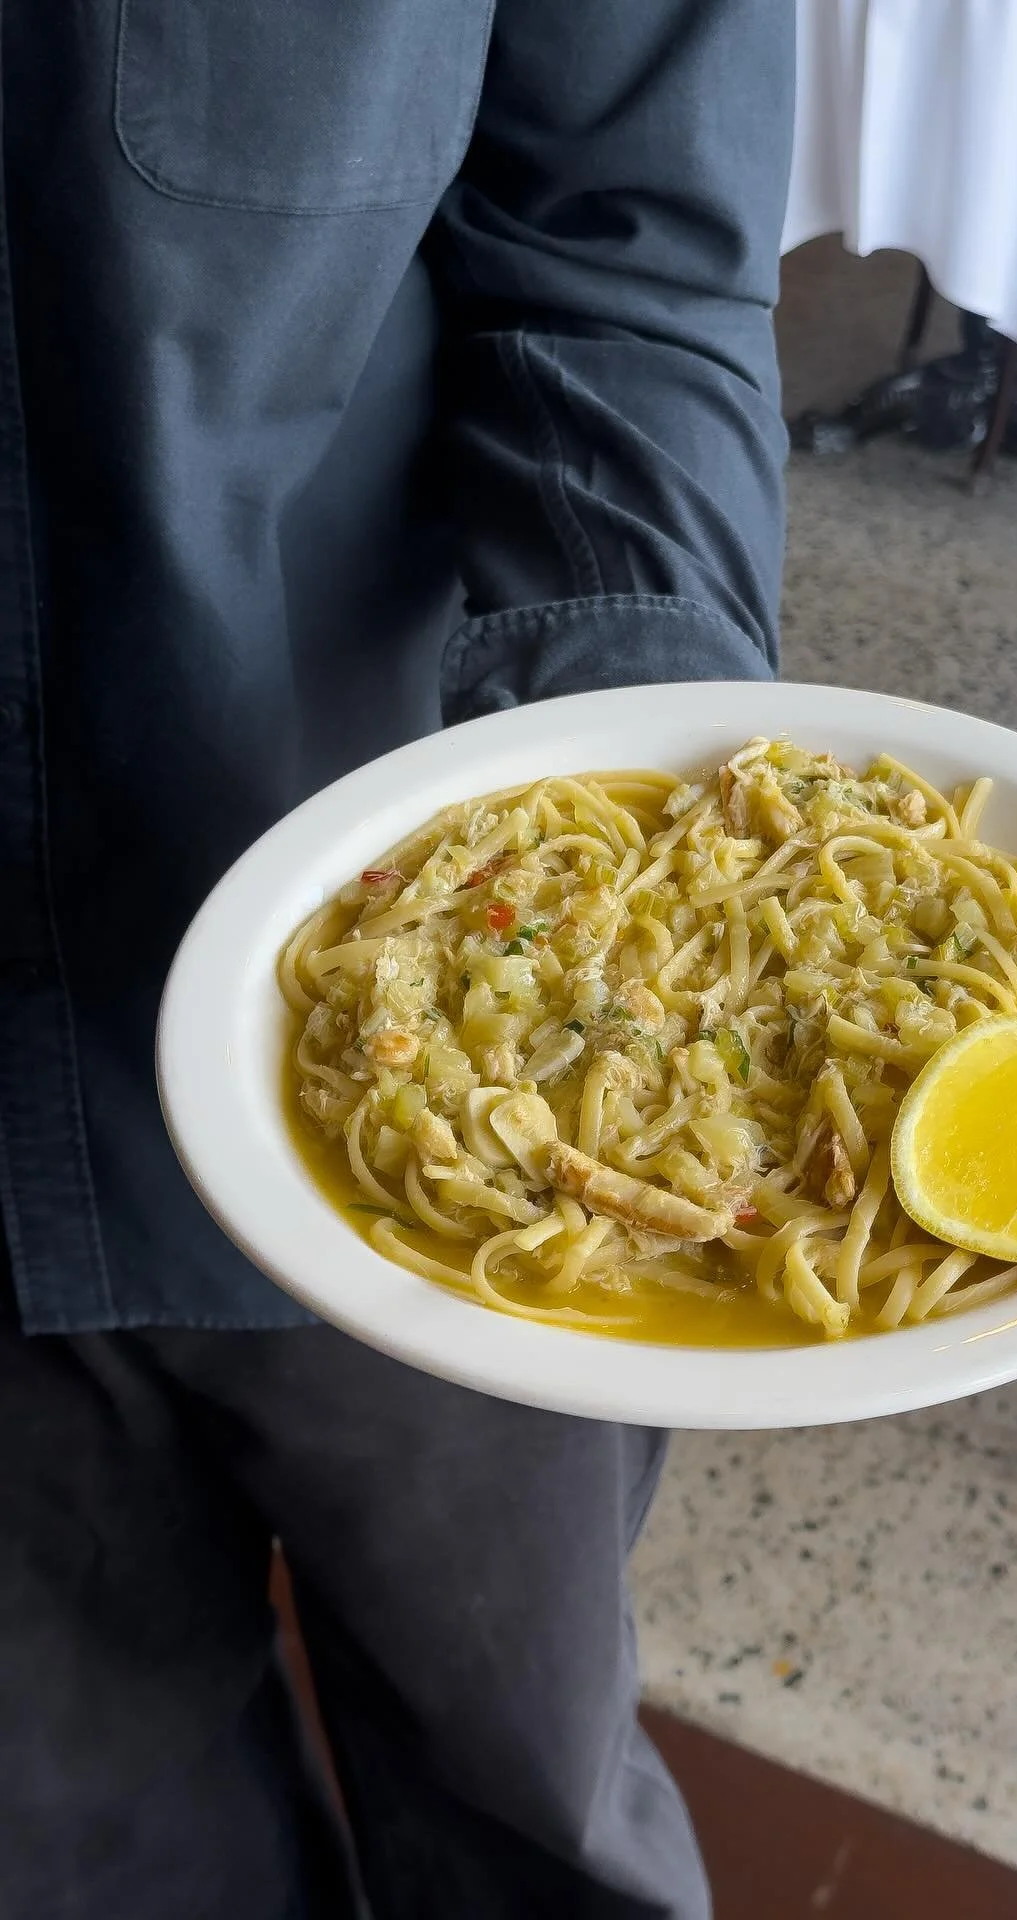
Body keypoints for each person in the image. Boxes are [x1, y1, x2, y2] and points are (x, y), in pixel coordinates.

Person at [0, 4, 792, 1914]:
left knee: (530, 1811)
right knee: (76, 1844)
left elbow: (624, 243)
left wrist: (632, 874)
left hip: (416, 1028)